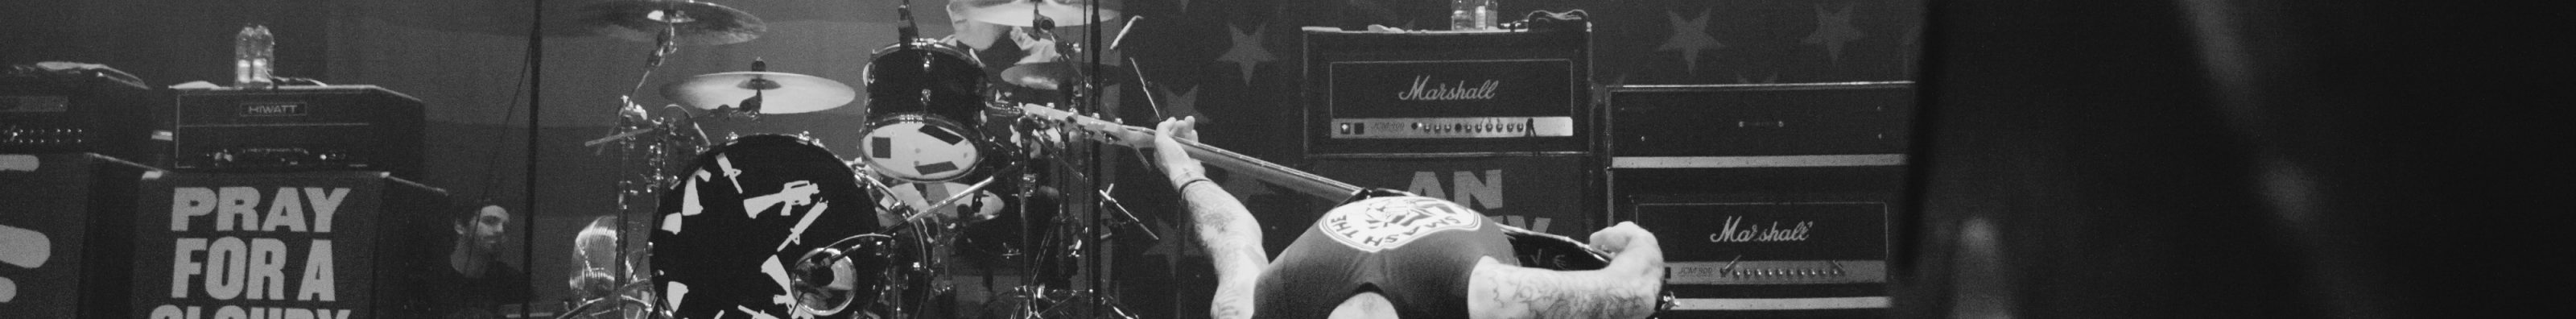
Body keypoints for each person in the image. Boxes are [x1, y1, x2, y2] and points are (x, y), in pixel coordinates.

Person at [1149, 117, 1668, 319]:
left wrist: (1184, 170)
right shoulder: (1485, 296)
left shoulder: (1266, 306)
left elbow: (1231, 236)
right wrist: (1637, 240)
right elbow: (1638, 288)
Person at [421, 203, 531, 319]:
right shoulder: (429, 277)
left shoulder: (514, 283)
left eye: (506, 227)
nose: (500, 230)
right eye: (489, 221)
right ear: (460, 226)